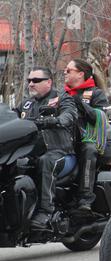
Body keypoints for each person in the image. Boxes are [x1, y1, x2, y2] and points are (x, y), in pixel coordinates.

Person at [15, 67, 77, 229]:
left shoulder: (62, 98)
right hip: (30, 152)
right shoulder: (26, 103)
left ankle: (46, 211)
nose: (31, 84)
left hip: (60, 153)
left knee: (46, 162)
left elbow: (69, 115)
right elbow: (10, 117)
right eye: (29, 80)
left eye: (36, 80)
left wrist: (56, 120)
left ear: (48, 82)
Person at [64, 59, 109, 212]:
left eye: (69, 70)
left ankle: (85, 198)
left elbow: (99, 117)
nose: (65, 72)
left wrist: (79, 102)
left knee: (89, 150)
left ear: (80, 74)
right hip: (64, 138)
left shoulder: (96, 93)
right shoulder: (62, 94)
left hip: (86, 139)